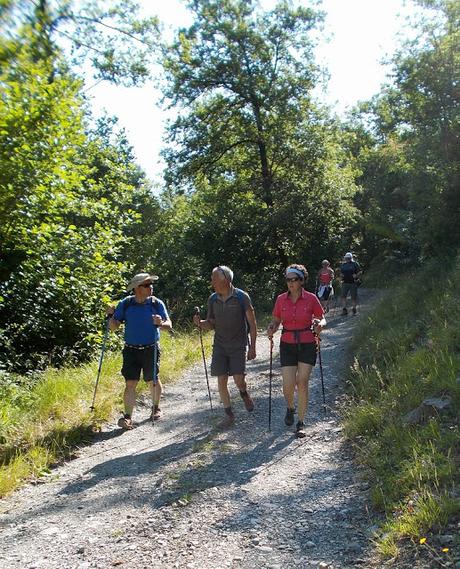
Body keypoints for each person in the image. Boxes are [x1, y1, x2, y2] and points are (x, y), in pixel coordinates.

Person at [193, 265, 257, 428]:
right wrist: (200, 324)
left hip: (238, 345)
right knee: (221, 380)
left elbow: (252, 323)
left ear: (227, 280)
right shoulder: (212, 299)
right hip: (220, 345)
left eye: (215, 279)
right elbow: (211, 323)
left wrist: (253, 347)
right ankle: (229, 414)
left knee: (238, 379)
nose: (212, 282)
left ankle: (243, 393)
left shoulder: (242, 297)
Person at [107, 272, 172, 430]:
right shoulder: (126, 304)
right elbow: (113, 327)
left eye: (151, 284)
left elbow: (169, 325)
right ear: (136, 288)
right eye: (146, 285)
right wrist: (110, 316)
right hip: (131, 349)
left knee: (153, 379)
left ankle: (156, 408)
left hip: (151, 348)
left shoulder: (156, 303)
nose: (150, 287)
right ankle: (127, 417)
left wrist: (160, 323)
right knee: (130, 383)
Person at [267, 264, 326, 438]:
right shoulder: (280, 299)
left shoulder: (311, 298)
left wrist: (320, 326)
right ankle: (290, 407)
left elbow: (321, 318)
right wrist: (272, 327)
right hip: (287, 344)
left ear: (301, 281)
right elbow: (276, 320)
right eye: (288, 280)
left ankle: (300, 422)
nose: (291, 283)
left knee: (302, 381)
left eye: (294, 280)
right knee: (287, 385)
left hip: (307, 343)